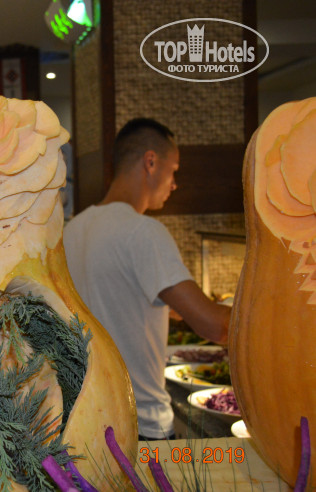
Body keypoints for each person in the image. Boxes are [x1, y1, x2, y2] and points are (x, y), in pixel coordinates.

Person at [62, 118, 231, 441]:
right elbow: (215, 327)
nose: (174, 183)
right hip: (142, 425)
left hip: (89, 423)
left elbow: (112, 302)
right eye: (173, 170)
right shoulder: (144, 232)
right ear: (150, 162)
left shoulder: (73, 231)